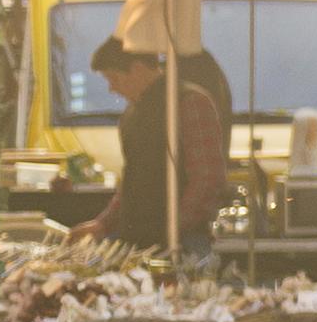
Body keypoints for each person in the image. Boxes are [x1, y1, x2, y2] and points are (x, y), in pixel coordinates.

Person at [89, 39, 228, 253]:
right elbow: (131, 181)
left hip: (184, 243)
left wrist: (172, 229)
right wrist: (102, 223)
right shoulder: (131, 114)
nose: (112, 88)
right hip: (136, 241)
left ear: (137, 69)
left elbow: (207, 178)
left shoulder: (190, 102)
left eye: (114, 78)